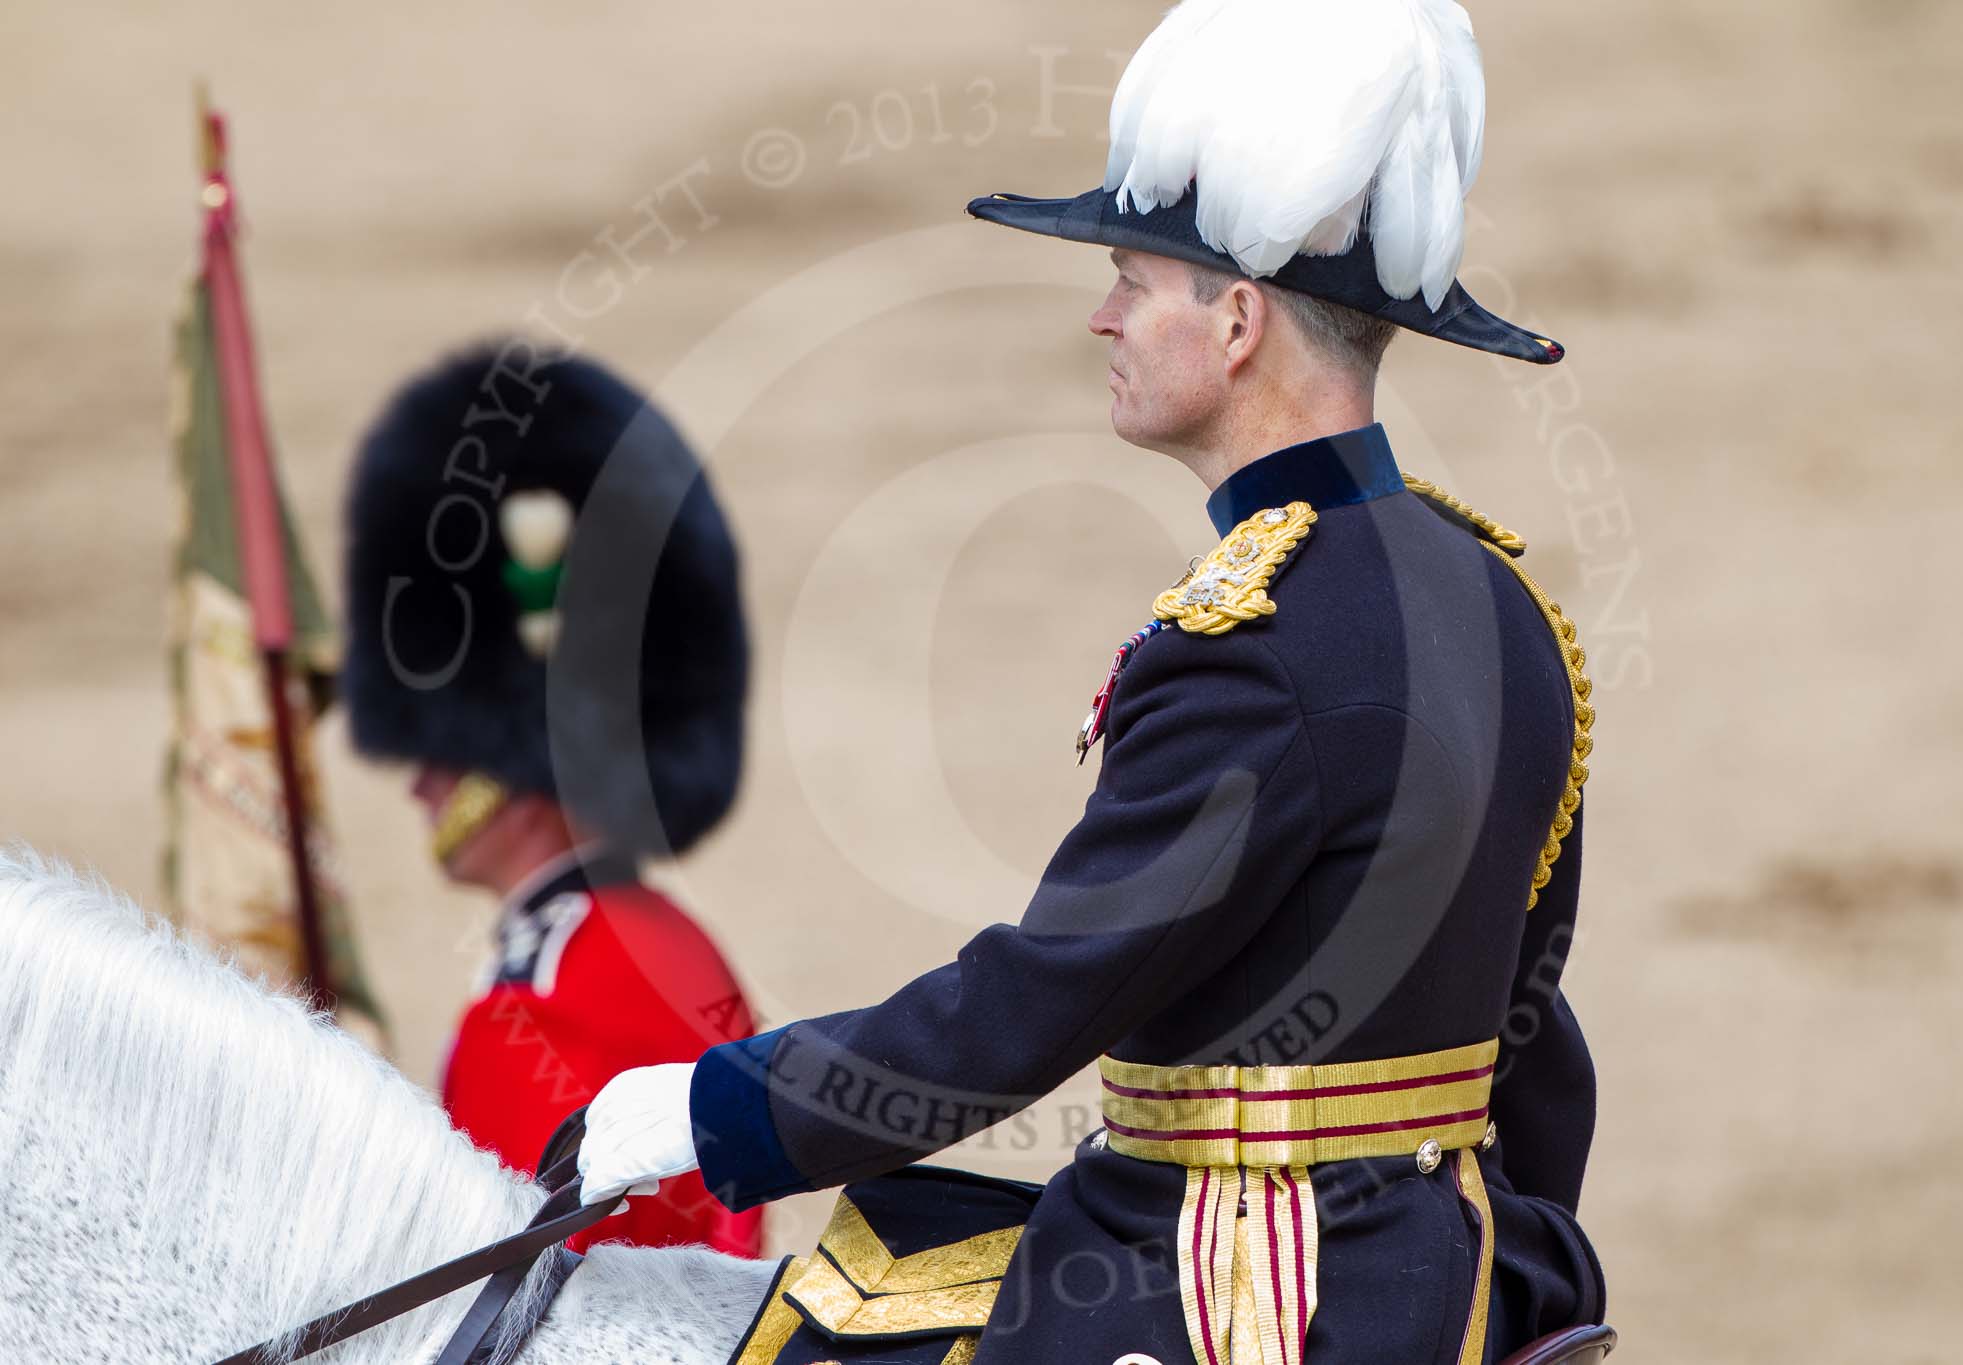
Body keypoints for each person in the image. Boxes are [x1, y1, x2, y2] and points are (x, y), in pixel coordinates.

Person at [582, 0, 1607, 1358]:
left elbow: (1027, 1009)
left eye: (1132, 279)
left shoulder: (1250, 647)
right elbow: (1533, 1035)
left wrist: (721, 1115)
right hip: (1451, 1271)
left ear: (1238, 321)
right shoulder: (1503, 603)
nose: (1099, 315)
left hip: (1233, 1296)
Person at [341, 346, 762, 1257]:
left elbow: (492, 1288)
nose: (419, 779)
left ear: (519, 754)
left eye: (444, 751)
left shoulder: (547, 991)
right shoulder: (664, 942)